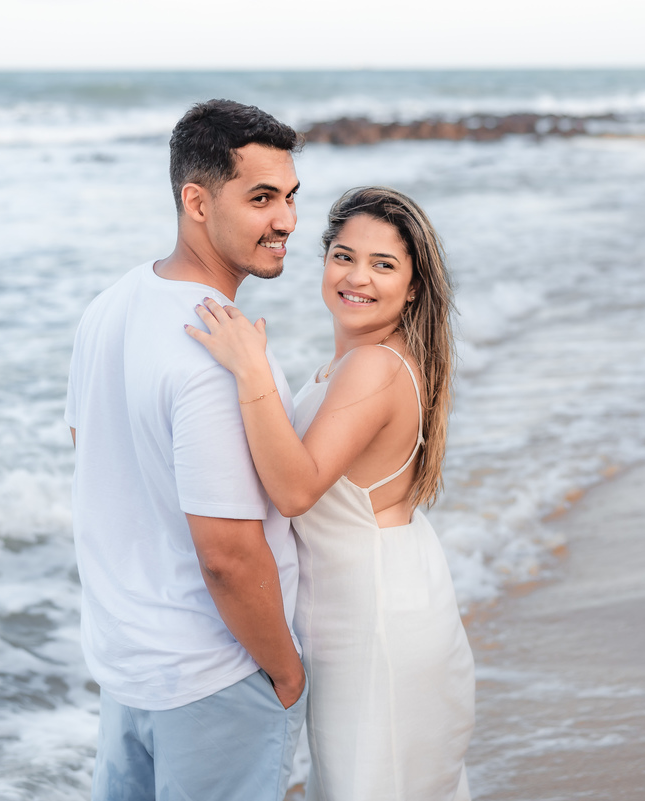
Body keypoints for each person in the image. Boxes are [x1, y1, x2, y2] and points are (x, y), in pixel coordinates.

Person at [187, 186, 476, 800]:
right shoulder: (361, 361)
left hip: (375, 624)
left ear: (415, 285)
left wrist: (251, 369)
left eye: (384, 264)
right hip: (370, 604)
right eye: (344, 256)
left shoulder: (374, 367)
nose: (357, 277)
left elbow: (294, 489)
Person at [64, 99, 306, 801]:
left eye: (290, 197)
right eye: (261, 198)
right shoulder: (216, 353)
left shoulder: (107, 308)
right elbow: (228, 554)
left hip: (127, 670)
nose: (286, 220)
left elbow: (96, 460)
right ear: (195, 201)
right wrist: (286, 672)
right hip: (214, 679)